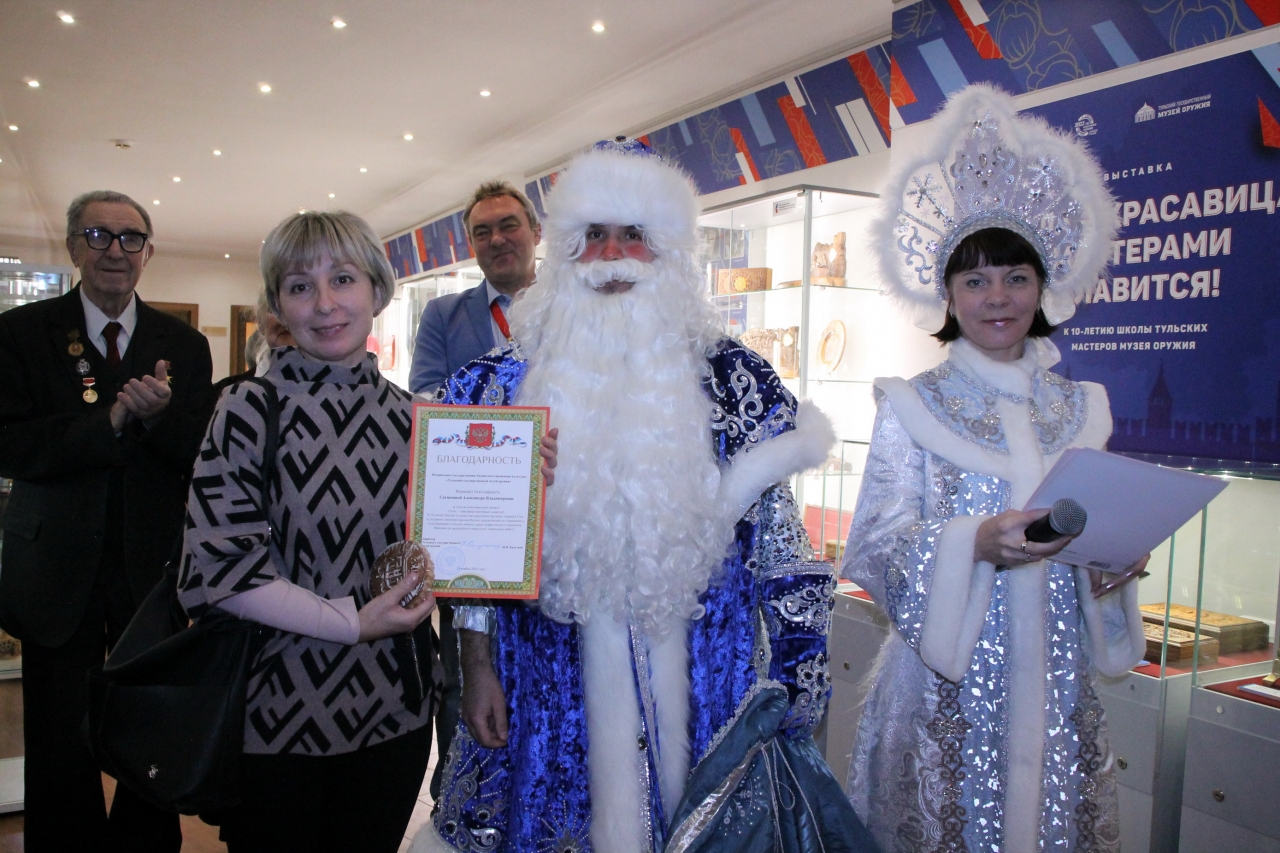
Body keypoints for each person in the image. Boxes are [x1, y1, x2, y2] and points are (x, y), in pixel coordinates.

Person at [416, 140, 874, 853]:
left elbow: (782, 548)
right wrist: (476, 670)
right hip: (547, 689)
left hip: (707, 688)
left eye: (633, 234)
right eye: (592, 234)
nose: (612, 257)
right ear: (564, 250)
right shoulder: (495, 386)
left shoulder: (736, 382)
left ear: (668, 250)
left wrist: (794, 678)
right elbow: (473, 558)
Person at [843, 85, 1149, 852]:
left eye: (1015, 276)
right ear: (947, 295)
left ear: (1043, 286)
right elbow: (875, 547)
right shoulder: (912, 405)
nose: (997, 297)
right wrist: (973, 543)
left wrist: (1115, 561)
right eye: (974, 280)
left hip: (1057, 689)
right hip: (942, 699)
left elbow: (1090, 534)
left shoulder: (1082, 408)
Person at [177, 211, 441, 853]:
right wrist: (353, 622)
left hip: (396, 710)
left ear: (377, 290)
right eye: (300, 286)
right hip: (274, 718)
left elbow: (457, 552)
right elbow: (223, 571)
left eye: (343, 279)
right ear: (278, 306)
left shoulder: (417, 418)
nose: (324, 304)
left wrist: (522, 477)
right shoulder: (247, 408)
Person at [0, 189, 214, 851]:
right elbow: (11, 444)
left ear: (148, 252)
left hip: (149, 569)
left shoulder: (183, 344)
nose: (115, 250)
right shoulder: (21, 333)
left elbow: (197, 451)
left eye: (130, 238)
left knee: (149, 726)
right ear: (74, 247)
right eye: (98, 235)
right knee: (59, 734)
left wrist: (158, 418)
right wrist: (111, 421)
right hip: (54, 566)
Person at [407, 180, 541, 800]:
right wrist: (512, 432)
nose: (497, 239)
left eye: (508, 224)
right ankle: (459, 799)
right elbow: (427, 401)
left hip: (555, 519)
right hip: (474, 517)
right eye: (482, 231)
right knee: (465, 668)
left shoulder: (572, 306)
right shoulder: (445, 315)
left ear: (535, 232)